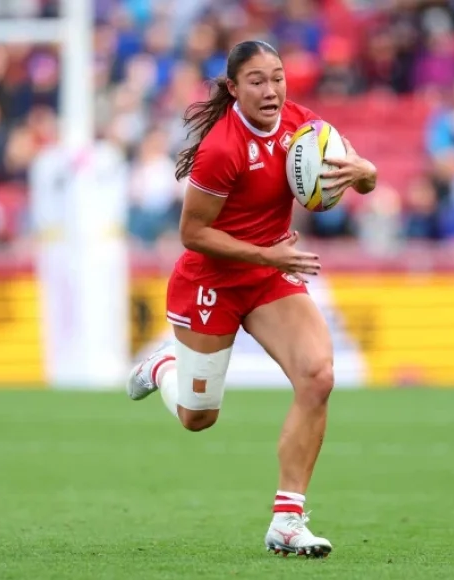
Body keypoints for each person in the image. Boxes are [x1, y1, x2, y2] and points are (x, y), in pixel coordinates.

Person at [125, 39, 377, 558]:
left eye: (278, 77)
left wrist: (365, 173)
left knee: (318, 375)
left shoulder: (303, 127)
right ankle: (162, 369)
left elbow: (362, 179)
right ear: (234, 89)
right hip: (212, 282)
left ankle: (287, 519)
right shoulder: (222, 148)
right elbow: (192, 233)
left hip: (267, 278)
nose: (271, 90)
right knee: (198, 418)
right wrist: (268, 257)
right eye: (258, 81)